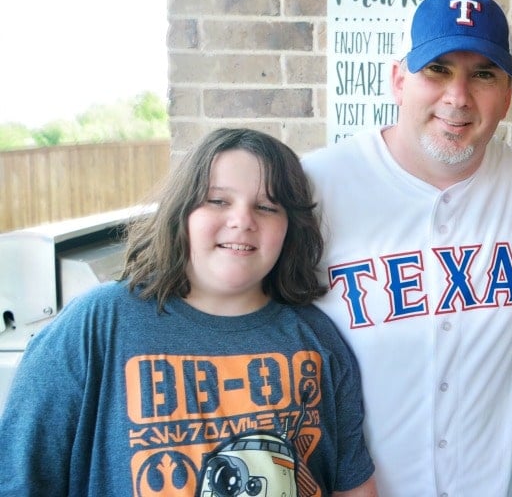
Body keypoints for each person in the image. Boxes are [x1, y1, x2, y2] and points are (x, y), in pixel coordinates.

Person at [301, 0, 512, 496]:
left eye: (483, 75)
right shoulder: (315, 187)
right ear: (399, 79)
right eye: (438, 70)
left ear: (508, 94)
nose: (458, 96)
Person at [0, 128, 377, 497]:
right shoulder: (98, 324)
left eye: (266, 206)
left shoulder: (317, 338)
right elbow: (19, 479)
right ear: (183, 211)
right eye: (218, 201)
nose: (243, 220)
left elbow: (353, 486)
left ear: (289, 228)